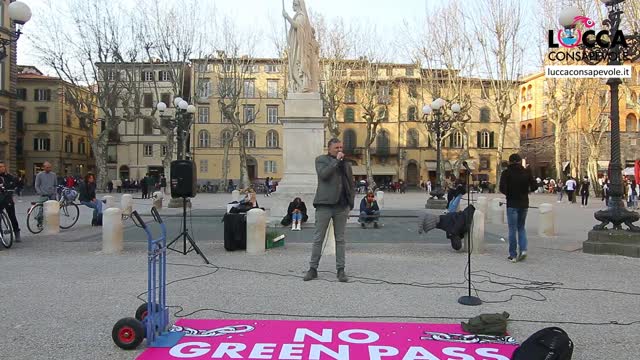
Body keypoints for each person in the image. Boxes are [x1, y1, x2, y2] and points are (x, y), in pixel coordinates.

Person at [303, 138, 355, 283]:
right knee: (318, 238)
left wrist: (350, 204)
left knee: (340, 239)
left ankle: (341, 270)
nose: (339, 150)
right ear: (329, 148)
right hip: (324, 205)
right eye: (336, 147)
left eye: (341, 147)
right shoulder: (321, 160)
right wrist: (336, 161)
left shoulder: (346, 164)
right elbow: (324, 175)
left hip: (341, 206)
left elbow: (350, 184)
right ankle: (313, 269)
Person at [499, 154, 536, 263]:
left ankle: (513, 255)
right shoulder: (526, 172)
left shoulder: (506, 173)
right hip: (524, 203)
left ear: (510, 162)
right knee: (521, 227)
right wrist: (527, 190)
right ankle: (523, 249)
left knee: (512, 229)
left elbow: (502, 188)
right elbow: (534, 186)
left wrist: (509, 193)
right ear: (520, 161)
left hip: (512, 203)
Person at [0, 161, 21, 242]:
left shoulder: (9, 176)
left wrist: (8, 188)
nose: (2, 168)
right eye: (0, 167)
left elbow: (14, 184)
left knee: (12, 216)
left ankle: (17, 232)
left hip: (7, 198)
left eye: (3, 166)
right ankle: (1, 234)